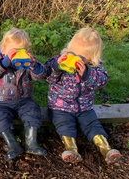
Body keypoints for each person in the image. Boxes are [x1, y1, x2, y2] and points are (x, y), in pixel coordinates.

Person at [44, 27, 122, 164]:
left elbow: (102, 80)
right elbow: (46, 75)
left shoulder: (94, 67)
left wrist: (86, 74)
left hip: (84, 107)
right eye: (73, 53)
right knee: (64, 125)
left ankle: (106, 149)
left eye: (81, 57)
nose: (75, 58)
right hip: (60, 106)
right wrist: (57, 66)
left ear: (92, 58)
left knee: (93, 125)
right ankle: (71, 149)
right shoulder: (60, 60)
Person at [0, 28, 47, 161]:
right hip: (0, 101)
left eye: (22, 50)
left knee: (33, 111)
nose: (18, 54)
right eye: (14, 50)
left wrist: (34, 66)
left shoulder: (27, 61)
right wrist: (5, 62)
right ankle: (12, 144)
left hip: (24, 99)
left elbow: (41, 76)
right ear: (3, 48)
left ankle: (31, 143)